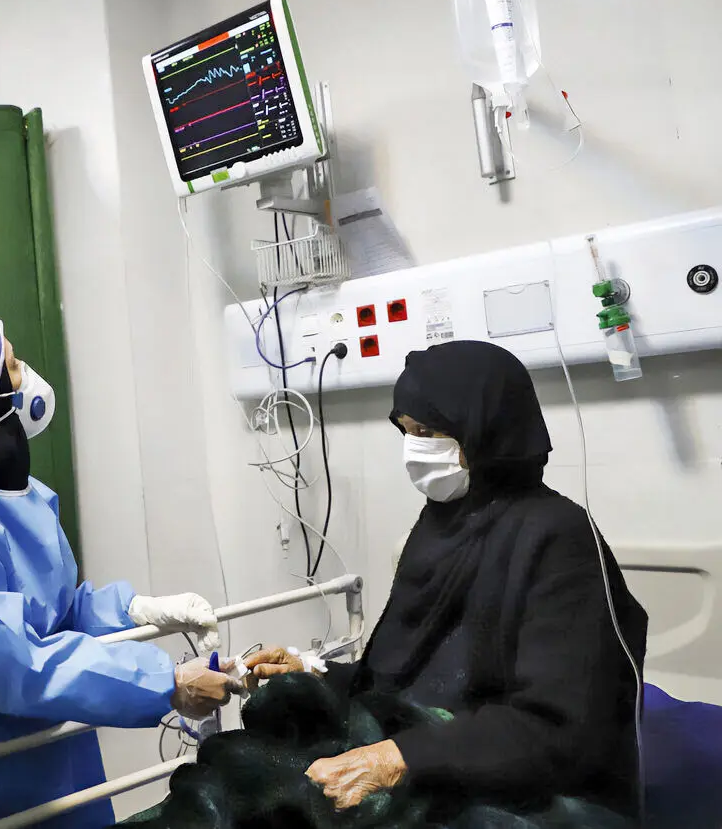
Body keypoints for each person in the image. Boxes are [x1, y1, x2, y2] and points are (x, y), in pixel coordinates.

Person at [0, 317, 240, 829]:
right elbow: (11, 661)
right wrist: (165, 683)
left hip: (57, 762)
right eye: (13, 365)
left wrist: (135, 610)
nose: (27, 372)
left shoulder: (19, 494)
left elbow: (54, 612)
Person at [244, 340, 647, 821]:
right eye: (406, 430)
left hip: (532, 788)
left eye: (429, 431)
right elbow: (406, 679)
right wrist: (314, 673)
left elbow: (560, 728)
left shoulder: (560, 537)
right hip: (441, 753)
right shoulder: (440, 524)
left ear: (487, 428)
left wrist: (398, 758)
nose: (414, 448)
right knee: (248, 777)